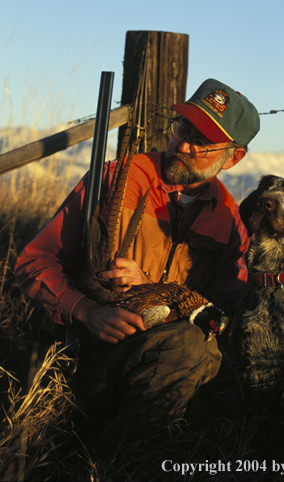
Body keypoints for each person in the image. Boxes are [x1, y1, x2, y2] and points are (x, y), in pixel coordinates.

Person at [14, 78, 260, 453]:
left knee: (200, 354)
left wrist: (156, 294)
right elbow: (34, 260)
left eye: (203, 141)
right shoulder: (115, 178)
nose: (184, 144)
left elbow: (223, 317)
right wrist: (85, 310)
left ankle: (111, 455)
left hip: (168, 365)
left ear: (234, 157)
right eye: (183, 128)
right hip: (91, 355)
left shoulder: (231, 226)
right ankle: (112, 454)